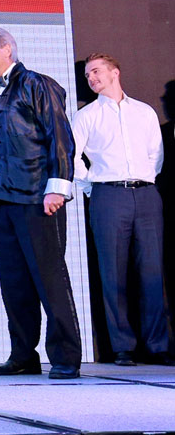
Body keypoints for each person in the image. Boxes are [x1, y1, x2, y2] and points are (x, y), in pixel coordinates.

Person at [0, 27, 82, 379]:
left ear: (7, 49)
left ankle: (65, 356)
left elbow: (60, 136)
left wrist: (57, 187)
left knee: (49, 277)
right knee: (14, 283)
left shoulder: (37, 84)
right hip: (5, 201)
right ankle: (23, 355)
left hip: (37, 198)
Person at [73, 53, 170, 366]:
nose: (91, 78)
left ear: (115, 72)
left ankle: (157, 345)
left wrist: (144, 179)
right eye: (88, 75)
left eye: (96, 71)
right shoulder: (86, 116)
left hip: (146, 194)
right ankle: (122, 347)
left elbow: (155, 154)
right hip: (108, 196)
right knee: (112, 272)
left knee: (152, 271)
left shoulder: (143, 112)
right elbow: (71, 157)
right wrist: (93, 188)